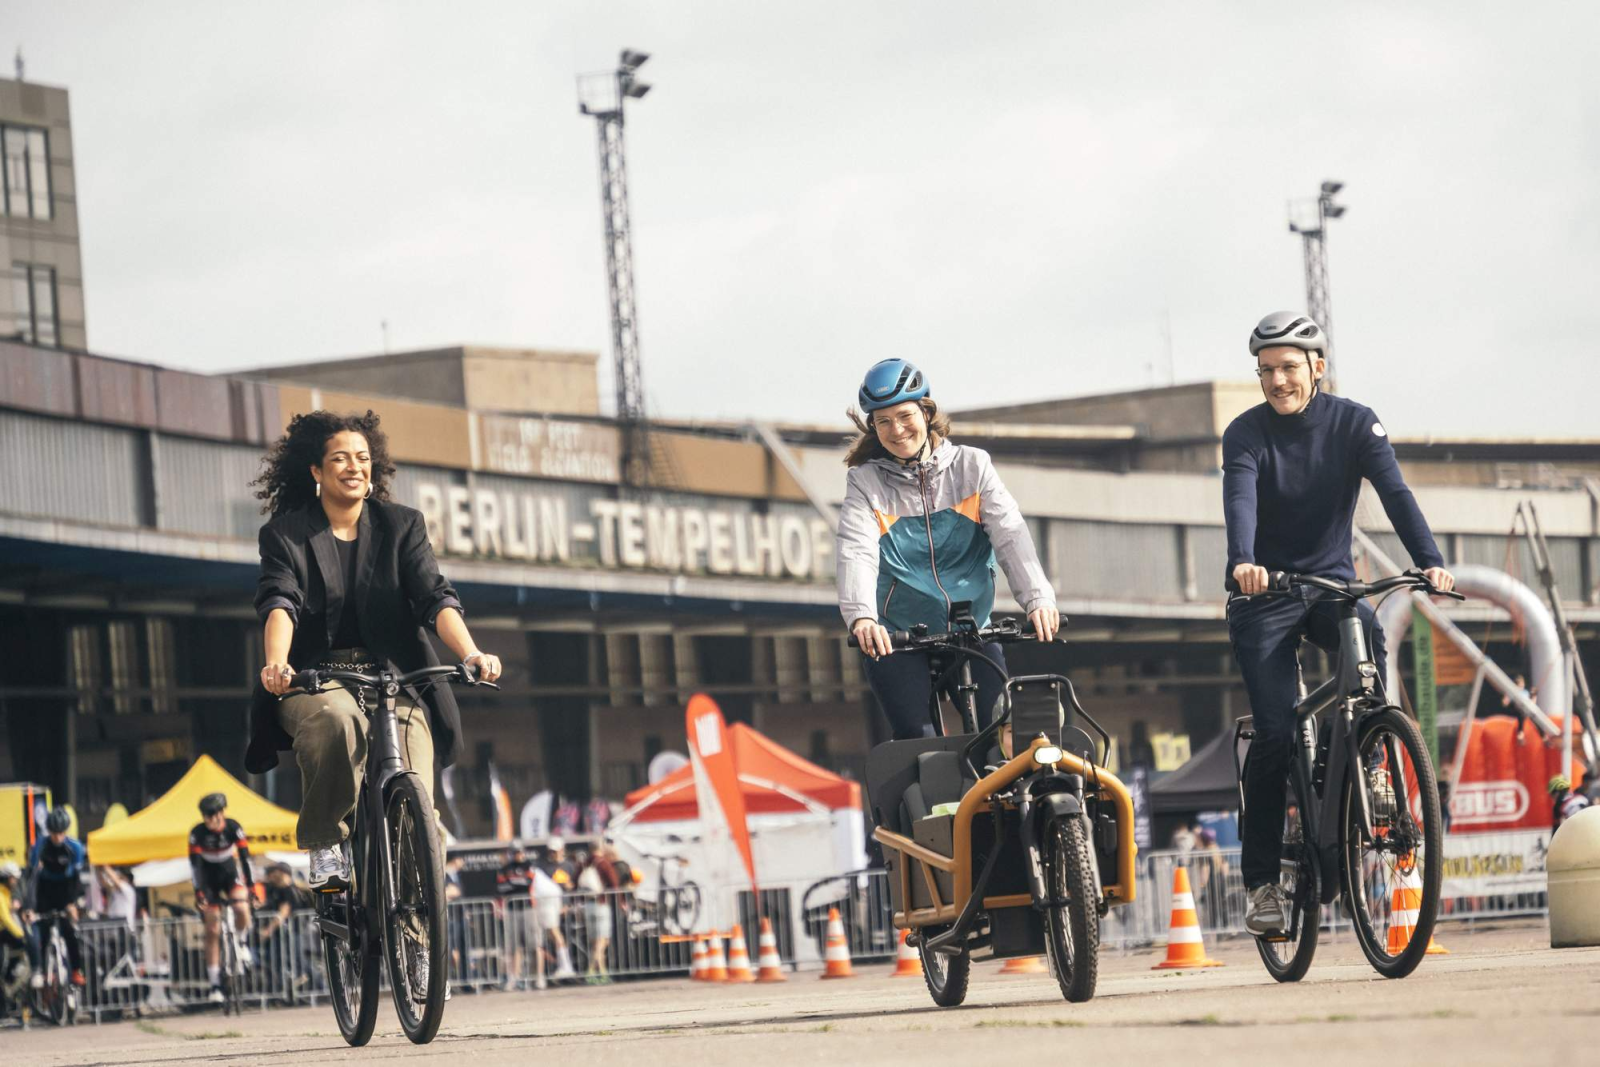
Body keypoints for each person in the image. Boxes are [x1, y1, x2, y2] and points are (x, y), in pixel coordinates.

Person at [1224, 312, 1456, 937]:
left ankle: (1375, 761)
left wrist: (1428, 562)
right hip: (1264, 595)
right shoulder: (1245, 434)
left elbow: (1395, 492)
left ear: (1317, 367)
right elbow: (1240, 499)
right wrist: (1244, 562)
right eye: (1267, 371)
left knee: (1365, 637)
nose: (1278, 380)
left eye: (1289, 368)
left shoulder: (1354, 423)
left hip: (1331, 586)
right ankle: (1264, 883)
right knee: (1275, 733)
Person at [248, 410, 502, 889]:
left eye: (363, 458)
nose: (354, 467)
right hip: (316, 679)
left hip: (395, 678)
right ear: (316, 472)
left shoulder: (402, 526)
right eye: (340, 458)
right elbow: (280, 602)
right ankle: (326, 842)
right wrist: (277, 664)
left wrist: (471, 653)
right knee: (336, 721)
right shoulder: (286, 535)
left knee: (418, 791)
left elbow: (435, 598)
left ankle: (417, 917)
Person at [836, 359, 1060, 739]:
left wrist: (1038, 598)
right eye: (883, 421)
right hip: (897, 635)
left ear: (926, 411)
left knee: (1005, 736)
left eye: (905, 415)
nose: (896, 429)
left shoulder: (973, 466)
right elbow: (856, 550)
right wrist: (862, 617)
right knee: (918, 742)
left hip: (971, 628)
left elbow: (1010, 534)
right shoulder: (865, 483)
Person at [189, 792, 255, 1003]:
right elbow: (195, 866)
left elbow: (245, 859)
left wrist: (251, 885)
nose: (209, 819)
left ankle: (242, 944)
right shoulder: (197, 833)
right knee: (212, 929)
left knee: (242, 908)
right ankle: (215, 984)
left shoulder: (233, 827)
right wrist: (198, 891)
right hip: (208, 881)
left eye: (213, 814)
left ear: (221, 813)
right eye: (205, 815)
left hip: (229, 875)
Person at [24, 806, 87, 988]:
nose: (57, 837)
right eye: (54, 833)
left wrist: (73, 903)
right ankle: (44, 972)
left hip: (66, 887)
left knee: (68, 931)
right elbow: (31, 876)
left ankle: (76, 970)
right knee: (44, 930)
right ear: (49, 831)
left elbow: (76, 878)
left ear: (65, 831)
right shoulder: (41, 845)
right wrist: (29, 906)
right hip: (45, 888)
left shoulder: (75, 847)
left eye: (60, 833)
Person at [258, 863, 311, 1001]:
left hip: (293, 932)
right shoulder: (274, 889)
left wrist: (268, 930)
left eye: (273, 872)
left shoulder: (289, 890)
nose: (270, 876)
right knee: (288, 962)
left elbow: (283, 912)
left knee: (295, 963)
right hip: (286, 933)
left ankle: (304, 990)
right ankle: (291, 992)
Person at [535, 837, 578, 980]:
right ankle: (560, 965)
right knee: (550, 936)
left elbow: (574, 887)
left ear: (562, 850)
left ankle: (566, 965)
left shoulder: (569, 866)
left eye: (555, 851)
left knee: (557, 934)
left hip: (563, 906)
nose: (553, 854)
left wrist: (568, 902)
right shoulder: (542, 866)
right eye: (551, 851)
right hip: (548, 906)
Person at [578, 844, 620, 984]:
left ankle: (602, 971)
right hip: (601, 904)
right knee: (603, 940)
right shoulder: (603, 863)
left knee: (596, 941)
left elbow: (574, 881)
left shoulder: (585, 863)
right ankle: (591, 971)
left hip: (587, 905)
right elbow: (614, 883)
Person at [0, 861, 30, 997]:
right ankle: (7, 978)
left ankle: (7, 979)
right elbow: (6, 919)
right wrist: (20, 934)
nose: (16, 882)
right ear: (7, 878)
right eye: (14, 878)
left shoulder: (6, 893)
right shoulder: (1, 894)